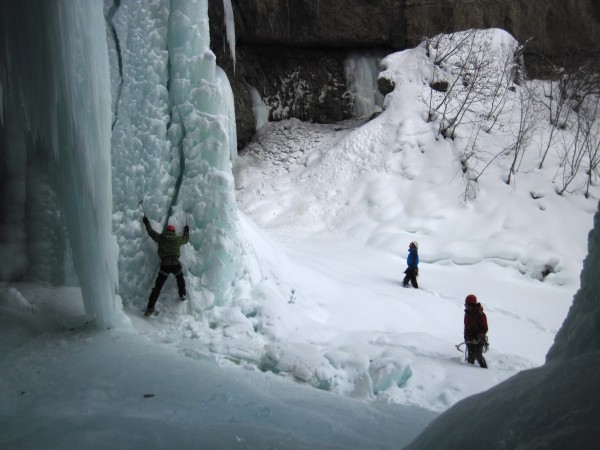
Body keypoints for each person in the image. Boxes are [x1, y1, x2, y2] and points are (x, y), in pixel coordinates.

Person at [143, 216, 190, 316]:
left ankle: (150, 308)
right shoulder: (177, 239)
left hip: (165, 266)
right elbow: (185, 239)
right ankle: (182, 295)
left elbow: (151, 232)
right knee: (180, 279)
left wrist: (146, 222)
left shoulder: (161, 238)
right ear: (173, 232)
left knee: (157, 288)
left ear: (166, 231)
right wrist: (186, 230)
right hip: (175, 265)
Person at [463, 294, 488, 368]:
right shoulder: (467, 314)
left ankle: (485, 369)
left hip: (479, 339)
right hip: (470, 338)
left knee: (478, 355)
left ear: (471, 305)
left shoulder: (480, 315)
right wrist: (467, 337)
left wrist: (479, 336)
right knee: (471, 355)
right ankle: (470, 371)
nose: (465, 305)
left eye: (466, 304)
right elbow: (466, 327)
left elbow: (484, 328)